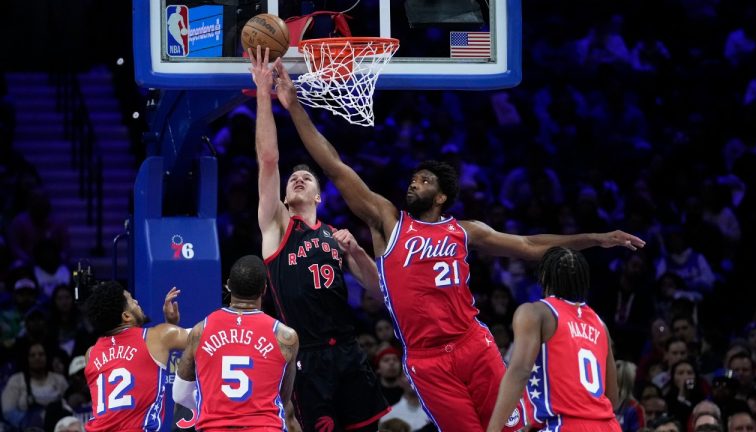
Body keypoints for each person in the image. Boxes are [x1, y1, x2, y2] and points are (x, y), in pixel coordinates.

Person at [265, 53, 645, 431]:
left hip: (473, 345)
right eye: (414, 179)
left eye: (425, 181)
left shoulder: (465, 230)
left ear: (442, 196)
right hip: (427, 360)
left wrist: (595, 238)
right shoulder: (388, 221)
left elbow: (529, 245)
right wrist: (294, 104)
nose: (415, 183)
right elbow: (334, 165)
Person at [249, 47, 390, 432]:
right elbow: (268, 159)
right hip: (307, 357)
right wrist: (265, 93)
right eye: (294, 177)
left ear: (318, 197)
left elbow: (379, 294)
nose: (299, 176)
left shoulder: (335, 236)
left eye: (307, 177)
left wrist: (358, 252)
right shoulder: (276, 227)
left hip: (348, 350)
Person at [487, 247, 621, 431]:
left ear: (544, 278)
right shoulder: (600, 325)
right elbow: (612, 398)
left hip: (563, 425)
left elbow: (520, 372)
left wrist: (493, 429)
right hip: (607, 426)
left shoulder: (535, 312)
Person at [172, 255, 299, 431]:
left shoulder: (201, 330)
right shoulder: (286, 336)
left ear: (229, 285)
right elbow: (283, 400)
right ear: (264, 289)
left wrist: (214, 404)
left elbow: (179, 394)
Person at [82, 283, 188, 432]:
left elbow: (134, 365)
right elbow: (203, 339)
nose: (137, 302)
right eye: (131, 300)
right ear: (126, 316)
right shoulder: (157, 337)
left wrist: (170, 327)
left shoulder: (91, 354)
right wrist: (171, 328)